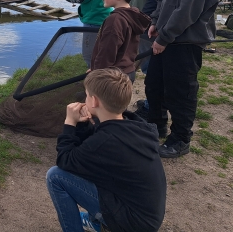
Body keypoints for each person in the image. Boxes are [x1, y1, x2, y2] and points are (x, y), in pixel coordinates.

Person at [46, 68, 166, 232]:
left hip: (133, 223)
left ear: (94, 101)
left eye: (86, 95)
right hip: (146, 217)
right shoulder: (134, 125)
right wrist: (82, 124)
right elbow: (86, 153)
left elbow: (65, 160)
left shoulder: (106, 141)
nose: (84, 98)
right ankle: (96, 222)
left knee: (55, 176)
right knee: (91, 169)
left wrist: (69, 123)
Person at [145, 0, 226, 158]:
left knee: (180, 92)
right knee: (154, 85)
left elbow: (188, 10)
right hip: (168, 35)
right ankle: (155, 125)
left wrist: (164, 37)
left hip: (184, 41)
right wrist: (156, 21)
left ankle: (180, 139)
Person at [89, 0, 151, 82]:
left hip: (111, 78)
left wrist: (96, 73)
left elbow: (106, 53)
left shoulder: (115, 20)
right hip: (127, 73)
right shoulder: (132, 15)